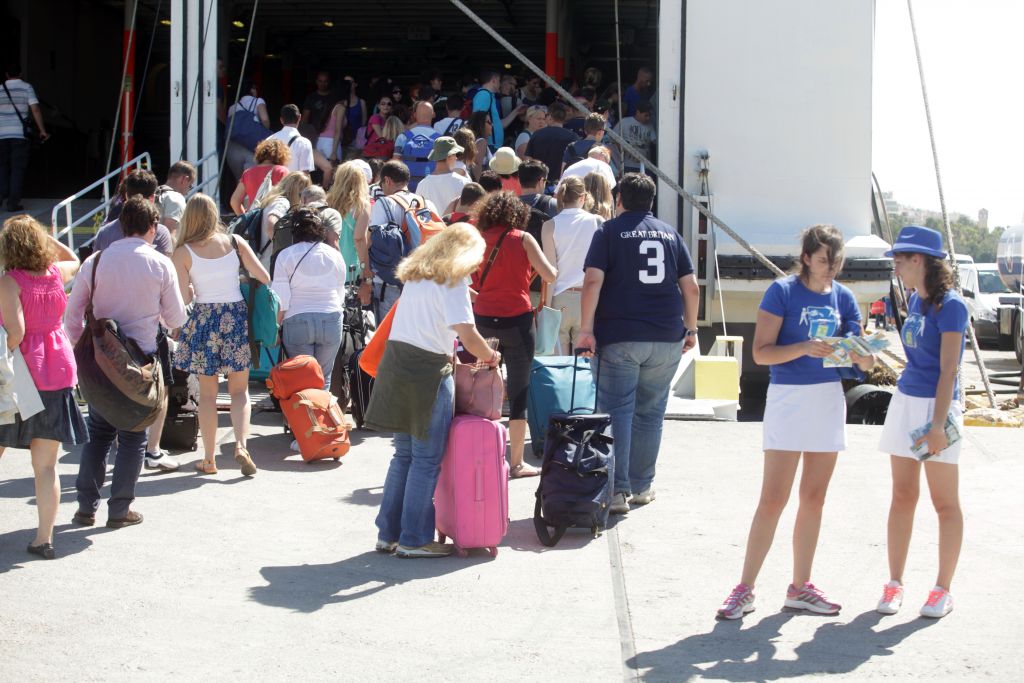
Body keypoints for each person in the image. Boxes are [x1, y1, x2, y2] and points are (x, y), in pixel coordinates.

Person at [716, 224, 872, 620]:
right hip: (788, 398)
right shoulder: (781, 291)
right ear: (806, 257)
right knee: (773, 499)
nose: (830, 269)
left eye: (836, 262)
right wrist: (802, 347)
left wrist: (864, 355)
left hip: (827, 399)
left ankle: (801, 586)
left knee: (814, 498)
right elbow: (762, 354)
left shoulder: (845, 297)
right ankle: (744, 588)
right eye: (823, 261)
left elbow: (861, 355)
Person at [367, 222, 503, 558]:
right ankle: (414, 539)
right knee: (426, 461)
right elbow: (468, 336)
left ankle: (389, 534)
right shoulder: (453, 282)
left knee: (404, 456)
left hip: (397, 364)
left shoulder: (417, 276)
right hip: (427, 370)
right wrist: (491, 356)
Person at [577, 174, 699, 513]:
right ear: (651, 201)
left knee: (616, 411)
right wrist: (690, 330)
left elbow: (592, 281)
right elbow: (691, 288)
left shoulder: (608, 232)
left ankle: (616, 490)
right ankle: (643, 486)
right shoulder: (670, 234)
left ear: (619, 200)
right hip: (665, 336)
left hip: (620, 335)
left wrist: (586, 328)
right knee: (651, 412)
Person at [66, 197, 187, 529]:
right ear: (153, 227)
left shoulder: (95, 260)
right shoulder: (160, 264)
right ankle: (119, 509)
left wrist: (81, 352)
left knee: (98, 434)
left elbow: (72, 316)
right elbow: (175, 316)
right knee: (134, 437)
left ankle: (85, 507)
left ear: (121, 225)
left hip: (100, 361)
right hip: (140, 367)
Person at [876, 226, 968, 619]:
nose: (895, 264)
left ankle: (942, 589)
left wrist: (936, 425)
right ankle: (894, 583)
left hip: (937, 406)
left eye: (900, 258)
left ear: (920, 260)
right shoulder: (914, 300)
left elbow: (949, 371)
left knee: (944, 503)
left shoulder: (952, 307)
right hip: (906, 401)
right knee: (902, 496)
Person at [0, 216, 86, 559]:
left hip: (23, 374)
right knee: (46, 465)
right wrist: (49, 243)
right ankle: (44, 539)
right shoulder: (54, 273)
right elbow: (75, 260)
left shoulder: (10, 282)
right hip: (58, 369)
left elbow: (16, 333)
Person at [171, 194, 268, 475]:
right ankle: (241, 446)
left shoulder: (183, 252)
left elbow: (183, 295)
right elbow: (263, 276)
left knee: (209, 395)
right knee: (239, 391)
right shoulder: (235, 243)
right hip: (236, 318)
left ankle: (210, 458)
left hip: (204, 320)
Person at [471, 191, 557, 478]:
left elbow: (458, 277)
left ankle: (479, 456)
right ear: (517, 214)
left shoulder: (476, 239)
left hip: (482, 321)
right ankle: (517, 463)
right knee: (519, 393)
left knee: (480, 390)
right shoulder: (523, 238)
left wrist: (480, 295)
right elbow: (550, 275)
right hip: (517, 321)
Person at [271, 208, 347, 389]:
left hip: (297, 319)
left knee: (302, 379)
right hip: (330, 318)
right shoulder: (335, 255)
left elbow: (281, 299)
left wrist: (275, 329)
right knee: (323, 379)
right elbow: (339, 294)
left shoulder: (285, 255)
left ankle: (300, 416)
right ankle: (320, 416)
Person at [363, 161, 439, 320]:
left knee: (387, 336)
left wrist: (367, 277)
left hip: (390, 282)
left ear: (388, 181)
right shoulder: (426, 203)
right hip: (421, 280)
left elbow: (373, 241)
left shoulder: (383, 203)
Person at [541, 176, 603, 353]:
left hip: (560, 297)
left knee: (559, 364)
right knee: (585, 363)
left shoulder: (549, 226)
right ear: (583, 197)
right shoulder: (597, 222)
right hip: (590, 297)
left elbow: (550, 271)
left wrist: (547, 306)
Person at [1, 63, 50, 212]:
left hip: (1, 135)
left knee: (1, 167)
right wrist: (42, 130)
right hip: (19, 135)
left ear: (7, 74)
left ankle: (1, 194)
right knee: (17, 168)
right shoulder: (27, 87)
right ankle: (12, 203)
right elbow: (35, 109)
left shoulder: (0, 89)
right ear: (21, 74)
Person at [93, 169, 175, 257]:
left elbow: (95, 266)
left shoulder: (105, 232)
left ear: (126, 195)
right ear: (152, 198)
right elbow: (166, 266)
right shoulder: (161, 233)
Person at [325, 162, 371, 287]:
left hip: (327, 265)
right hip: (349, 268)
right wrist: (364, 269)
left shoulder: (327, 201)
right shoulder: (362, 205)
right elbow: (359, 238)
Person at [256, 171, 312, 268]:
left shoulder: (271, 199)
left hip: (262, 260)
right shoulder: (283, 202)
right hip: (270, 263)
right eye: (301, 193)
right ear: (295, 190)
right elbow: (271, 223)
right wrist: (285, 250)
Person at [524, 102, 579, 190]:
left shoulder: (537, 134)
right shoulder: (573, 137)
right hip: (563, 186)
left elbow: (527, 160)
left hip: (539, 184)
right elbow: (576, 163)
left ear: (550, 117)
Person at [229, 138, 291, 215]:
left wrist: (245, 219)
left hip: (255, 218)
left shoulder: (248, 173)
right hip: (274, 217)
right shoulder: (282, 171)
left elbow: (234, 201)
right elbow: (291, 198)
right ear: (283, 155)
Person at [225, 80, 272, 180]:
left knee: (240, 180)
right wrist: (266, 131)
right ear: (252, 90)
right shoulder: (257, 101)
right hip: (251, 147)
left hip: (232, 148)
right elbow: (265, 119)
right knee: (252, 180)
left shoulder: (232, 108)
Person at [415, 137, 470, 214]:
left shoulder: (422, 184)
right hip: (455, 226)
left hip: (433, 226)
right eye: (455, 154)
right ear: (449, 156)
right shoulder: (463, 182)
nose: (456, 157)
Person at [473, 68, 524, 151]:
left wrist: (516, 111)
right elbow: (479, 121)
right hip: (489, 146)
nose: (500, 84)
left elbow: (499, 124)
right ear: (494, 80)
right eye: (499, 81)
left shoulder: (489, 96)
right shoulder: (484, 95)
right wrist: (483, 145)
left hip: (493, 146)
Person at [268, 104, 315, 175]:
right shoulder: (304, 143)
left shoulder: (269, 140)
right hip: (293, 185)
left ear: (281, 120)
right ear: (299, 117)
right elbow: (305, 174)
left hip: (273, 185)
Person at [614, 100, 657, 175]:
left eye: (650, 115)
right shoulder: (624, 122)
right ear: (638, 112)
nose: (648, 118)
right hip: (628, 165)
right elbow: (613, 138)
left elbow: (655, 141)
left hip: (646, 166)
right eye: (646, 115)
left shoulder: (650, 126)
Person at [155, 161, 196, 236]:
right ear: (184, 179)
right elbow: (169, 235)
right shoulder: (176, 199)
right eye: (190, 186)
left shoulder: (153, 194)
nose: (187, 192)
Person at [300, 185, 343, 249]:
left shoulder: (296, 215)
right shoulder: (331, 214)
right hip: (321, 256)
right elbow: (333, 243)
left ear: (304, 199)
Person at [301, 71, 338, 137]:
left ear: (329, 82)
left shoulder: (334, 98)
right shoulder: (311, 98)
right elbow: (305, 119)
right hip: (313, 134)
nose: (322, 84)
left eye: (325, 81)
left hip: (330, 135)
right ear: (316, 81)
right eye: (320, 81)